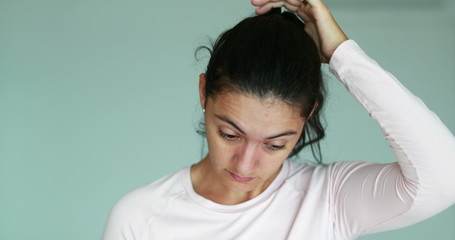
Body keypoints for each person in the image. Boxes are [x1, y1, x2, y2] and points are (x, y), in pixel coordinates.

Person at [103, 0, 455, 239]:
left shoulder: (329, 199)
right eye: (230, 134)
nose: (246, 163)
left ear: (309, 115)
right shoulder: (140, 218)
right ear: (203, 93)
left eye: (275, 144)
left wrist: (340, 54)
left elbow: (445, 176)